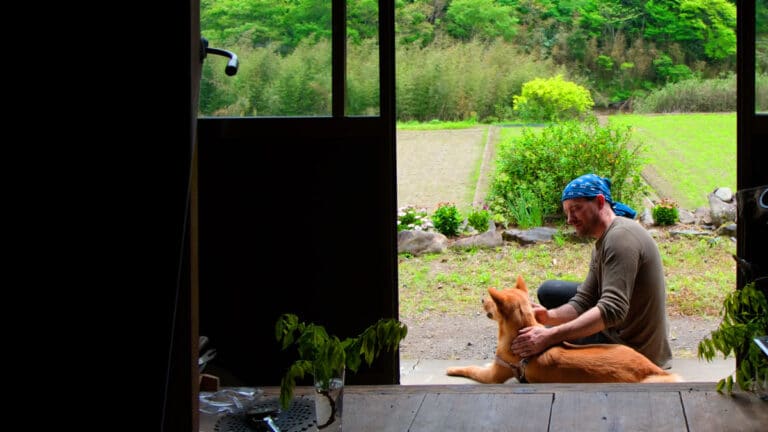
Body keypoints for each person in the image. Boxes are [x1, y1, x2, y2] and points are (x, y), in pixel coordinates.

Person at [509, 173, 673, 369]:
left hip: (635, 351)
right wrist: (548, 317)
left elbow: (613, 309)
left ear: (600, 202)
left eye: (576, 209)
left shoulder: (621, 238)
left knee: (541, 351)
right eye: (567, 212)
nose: (570, 219)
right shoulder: (606, 238)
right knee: (548, 302)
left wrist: (551, 335)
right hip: (620, 331)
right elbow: (585, 299)